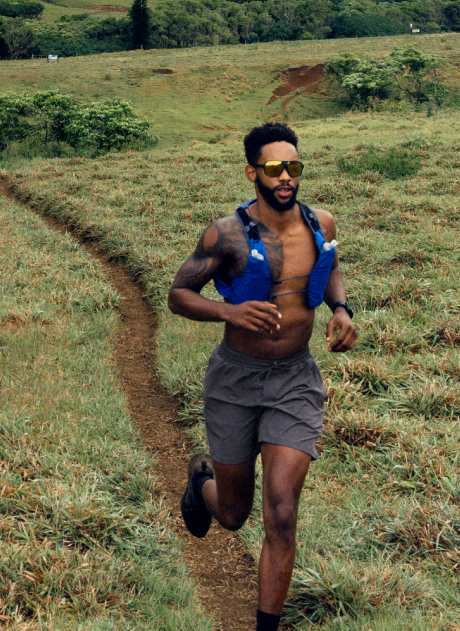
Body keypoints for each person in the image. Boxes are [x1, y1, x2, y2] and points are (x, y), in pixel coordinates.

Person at [167, 122, 357, 631]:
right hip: (236, 378)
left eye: (293, 166)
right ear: (253, 171)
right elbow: (178, 295)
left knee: (282, 512)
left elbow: (330, 264)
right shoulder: (225, 234)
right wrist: (227, 313)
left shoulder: (322, 222)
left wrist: (341, 309)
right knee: (233, 514)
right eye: (274, 168)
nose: (286, 177)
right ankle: (201, 480)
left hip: (296, 380)